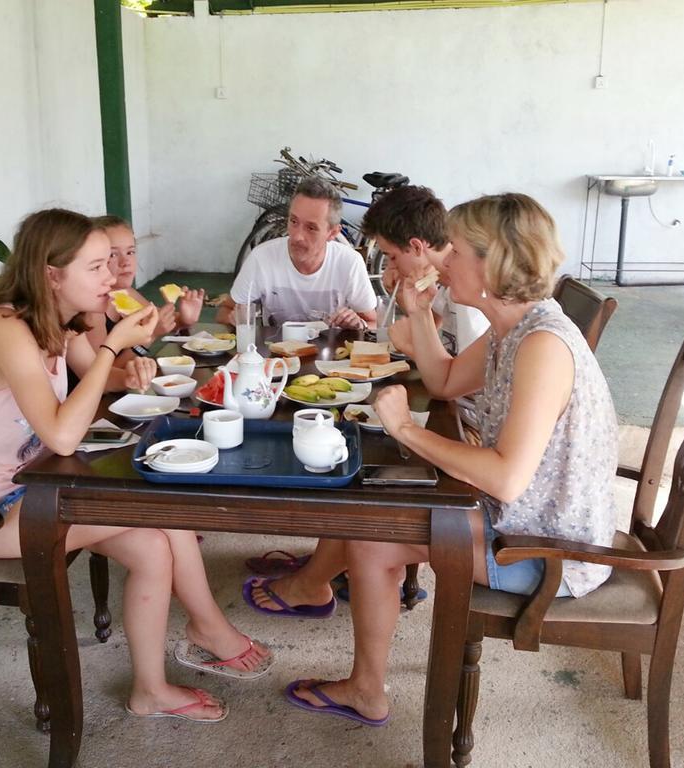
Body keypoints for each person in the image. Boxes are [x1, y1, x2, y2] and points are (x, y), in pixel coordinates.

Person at [250, 194, 618, 725]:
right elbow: (444, 379)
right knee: (371, 510)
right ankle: (352, 659)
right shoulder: (513, 327)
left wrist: (403, 428)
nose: (442, 262)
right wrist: (419, 314)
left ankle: (366, 689)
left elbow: (507, 477)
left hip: (545, 545)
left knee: (373, 538)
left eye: (457, 252)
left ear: (493, 264)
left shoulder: (542, 344)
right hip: (514, 515)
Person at [0, 208, 271, 723]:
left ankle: (151, 690)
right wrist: (111, 348)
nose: (112, 276)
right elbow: (60, 432)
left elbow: (103, 379)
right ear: (52, 275)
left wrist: (128, 367)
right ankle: (209, 628)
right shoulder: (6, 328)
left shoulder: (57, 321)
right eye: (96, 267)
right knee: (164, 503)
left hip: (42, 488)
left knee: (153, 547)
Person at [216, 177, 377, 329]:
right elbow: (225, 312)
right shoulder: (262, 258)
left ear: (332, 233)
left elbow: (374, 323)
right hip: (275, 355)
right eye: (293, 221)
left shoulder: (349, 262)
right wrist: (234, 319)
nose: (297, 237)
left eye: (311, 228)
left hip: (332, 355)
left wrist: (358, 325)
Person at [361, 185, 489, 354]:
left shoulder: (467, 294)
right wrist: (404, 297)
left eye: (392, 257)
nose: (390, 268)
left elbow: (464, 376)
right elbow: (432, 328)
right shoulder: (444, 284)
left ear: (416, 246)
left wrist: (409, 349)